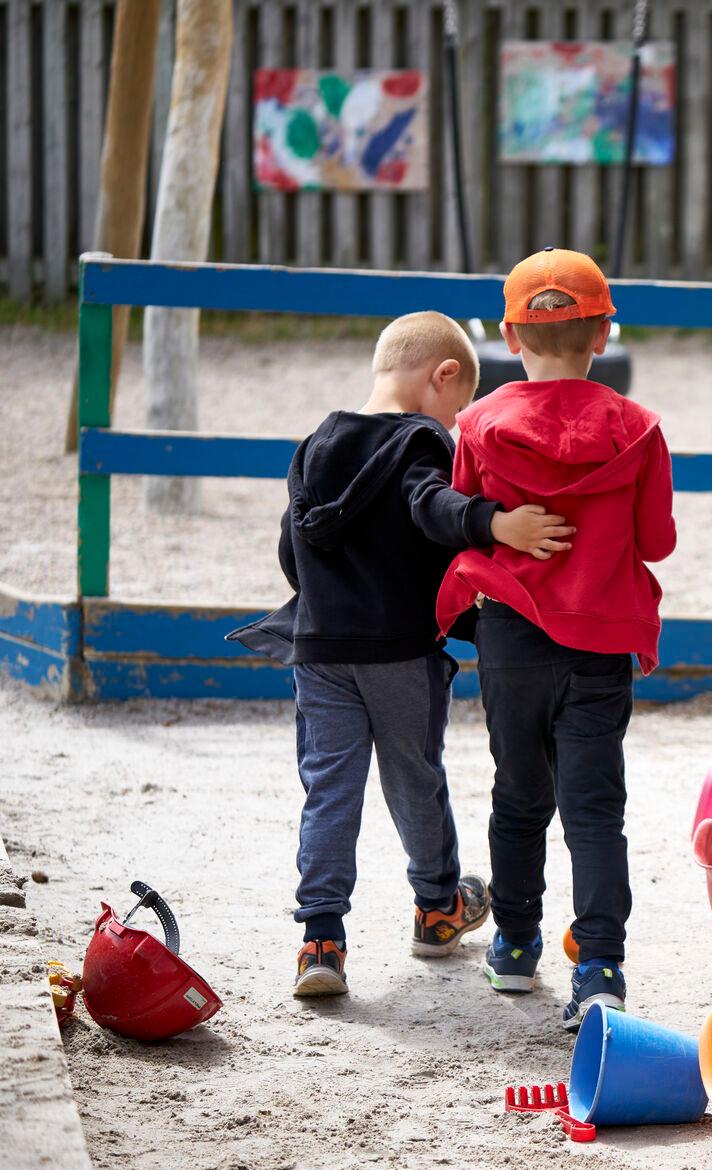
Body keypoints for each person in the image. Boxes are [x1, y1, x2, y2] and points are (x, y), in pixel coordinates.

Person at [237, 311, 576, 999]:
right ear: (442, 376)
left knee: (329, 788)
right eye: (455, 407)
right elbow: (433, 506)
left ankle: (321, 940)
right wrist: (492, 523)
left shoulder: (314, 444)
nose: (453, 423)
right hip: (397, 652)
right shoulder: (422, 442)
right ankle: (436, 906)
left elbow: (289, 550)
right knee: (413, 778)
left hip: (320, 650)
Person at [435, 248, 677, 1031]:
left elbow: (463, 517)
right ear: (604, 333)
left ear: (510, 334)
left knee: (518, 794)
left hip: (510, 637)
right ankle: (601, 963)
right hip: (600, 640)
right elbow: (657, 540)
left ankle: (512, 942)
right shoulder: (639, 429)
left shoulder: (475, 422)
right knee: (595, 807)